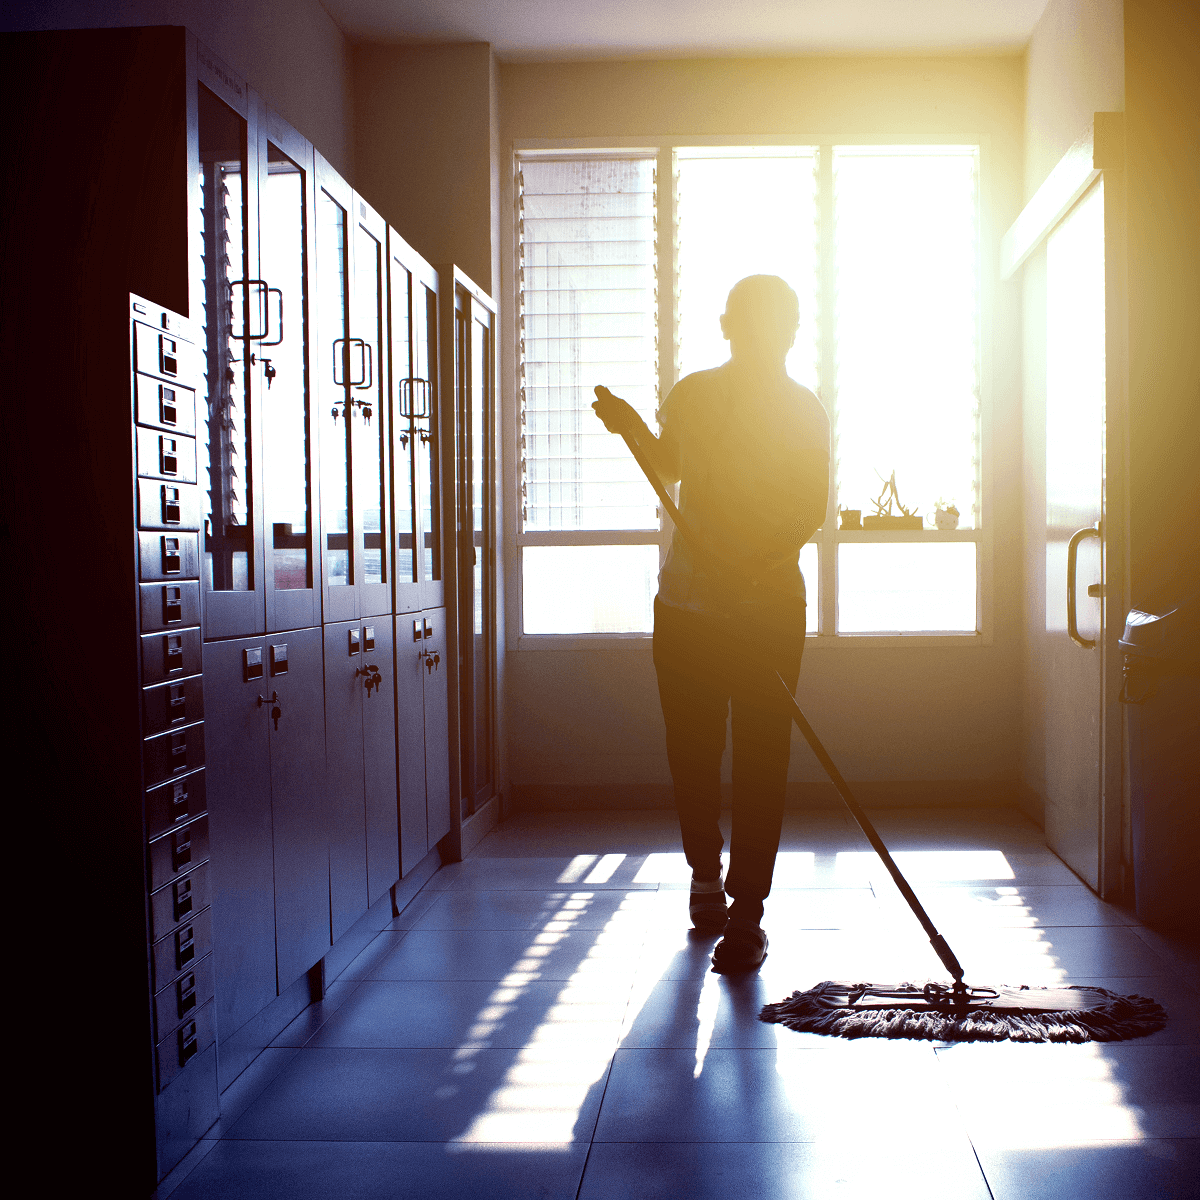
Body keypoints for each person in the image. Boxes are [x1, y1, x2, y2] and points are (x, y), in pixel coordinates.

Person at [593, 274, 830, 972]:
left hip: (770, 609)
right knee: (692, 750)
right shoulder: (693, 395)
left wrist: (753, 566)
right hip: (689, 608)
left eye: (776, 323)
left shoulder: (803, 410)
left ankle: (748, 915)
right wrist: (634, 425)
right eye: (749, 323)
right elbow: (669, 466)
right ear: (727, 326)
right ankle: (706, 876)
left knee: (763, 758)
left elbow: (808, 507)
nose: (762, 335)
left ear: (793, 330)